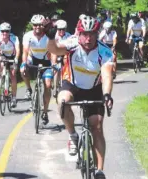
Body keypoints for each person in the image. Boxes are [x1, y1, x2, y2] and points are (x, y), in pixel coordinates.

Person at [44, 15, 114, 179]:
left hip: (95, 88)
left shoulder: (104, 51)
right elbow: (54, 50)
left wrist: (106, 95)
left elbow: (107, 75)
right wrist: (50, 37)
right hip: (72, 85)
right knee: (62, 101)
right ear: (79, 33)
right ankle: (72, 135)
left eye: (92, 34)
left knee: (97, 126)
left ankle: (100, 170)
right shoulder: (72, 43)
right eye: (84, 34)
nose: (88, 38)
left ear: (97, 34)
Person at [20, 14, 54, 125]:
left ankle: (45, 112)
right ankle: (29, 89)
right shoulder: (28, 36)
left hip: (46, 61)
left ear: (43, 25)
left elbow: (53, 51)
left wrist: (53, 65)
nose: (37, 27)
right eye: (35, 25)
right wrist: (23, 64)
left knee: (48, 85)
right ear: (32, 25)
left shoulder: (48, 36)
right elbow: (25, 51)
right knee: (22, 70)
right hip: (33, 59)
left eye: (39, 25)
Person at [0, 22, 20, 107]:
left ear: (9, 32)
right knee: (0, 63)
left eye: (6, 31)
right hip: (3, 56)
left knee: (13, 75)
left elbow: (18, 50)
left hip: (12, 56)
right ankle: (0, 77)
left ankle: (14, 98)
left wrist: (16, 58)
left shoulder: (14, 38)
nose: (4, 33)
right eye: (3, 31)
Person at [53, 19, 71, 98]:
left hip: (65, 54)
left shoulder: (69, 36)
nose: (61, 31)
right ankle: (55, 86)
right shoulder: (54, 36)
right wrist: (53, 62)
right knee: (56, 69)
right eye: (59, 29)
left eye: (63, 29)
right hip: (56, 53)